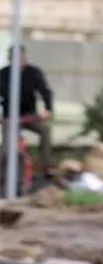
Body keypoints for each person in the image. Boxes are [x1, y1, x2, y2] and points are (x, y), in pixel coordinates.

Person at [0, 46, 53, 179]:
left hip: (30, 116)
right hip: (10, 118)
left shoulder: (33, 73)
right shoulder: (3, 74)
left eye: (20, 57)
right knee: (9, 142)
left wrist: (48, 109)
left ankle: (45, 167)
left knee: (45, 130)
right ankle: (6, 173)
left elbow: (45, 91)